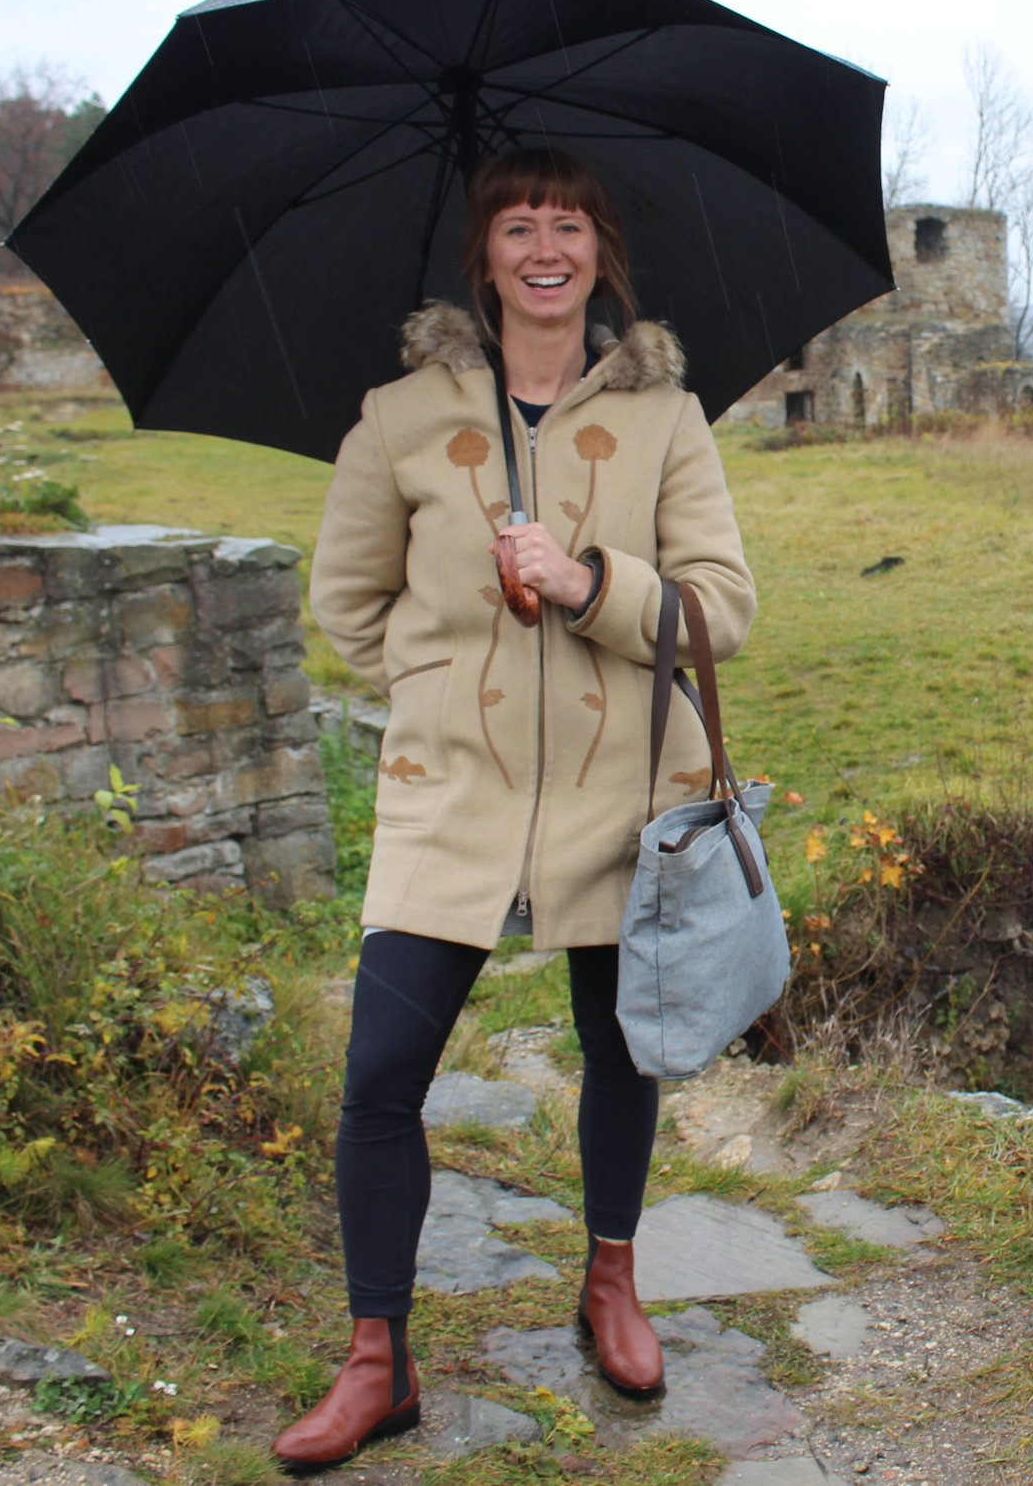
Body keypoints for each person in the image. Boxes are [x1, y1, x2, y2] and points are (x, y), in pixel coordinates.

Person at [277, 146, 755, 1472]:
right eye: (517, 227)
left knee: (621, 1055)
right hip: (454, 799)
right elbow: (347, 603)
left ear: (601, 253)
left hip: (624, 798)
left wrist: (590, 580)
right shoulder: (400, 417)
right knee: (379, 1078)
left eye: (569, 226)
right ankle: (378, 1360)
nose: (545, 248)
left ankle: (611, 1280)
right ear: (483, 257)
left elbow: (724, 609)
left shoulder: (667, 419)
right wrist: (444, 686)